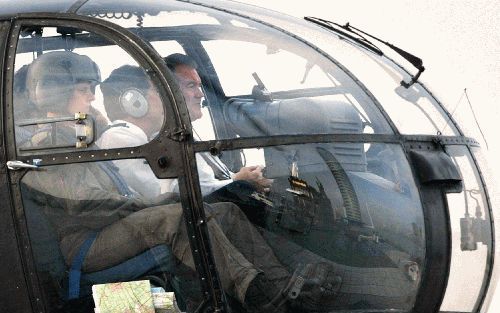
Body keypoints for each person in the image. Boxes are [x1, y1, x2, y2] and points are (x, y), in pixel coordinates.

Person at [21, 51, 342, 313]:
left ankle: (286, 287)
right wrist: (147, 204)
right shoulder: (46, 144)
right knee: (176, 217)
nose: (92, 95)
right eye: (82, 89)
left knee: (225, 211)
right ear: (57, 92)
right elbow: (82, 203)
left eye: (92, 87)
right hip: (83, 241)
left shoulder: (80, 134)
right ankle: (263, 299)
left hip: (107, 224)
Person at [163, 53, 272, 196]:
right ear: (168, 92)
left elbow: (207, 182)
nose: (200, 94)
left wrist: (241, 176)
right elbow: (179, 193)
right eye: (191, 86)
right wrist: (239, 181)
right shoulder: (166, 140)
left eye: (199, 86)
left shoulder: (183, 133)